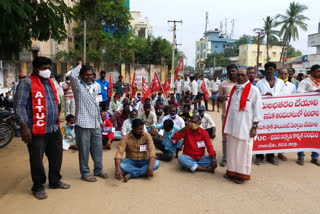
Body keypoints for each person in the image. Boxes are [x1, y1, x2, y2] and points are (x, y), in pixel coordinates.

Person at [15, 56, 70, 200]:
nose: (47, 71)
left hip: (53, 127)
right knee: (37, 159)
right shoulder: (26, 83)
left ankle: (55, 181)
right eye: (43, 68)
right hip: (36, 129)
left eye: (48, 68)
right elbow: (19, 106)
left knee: (56, 156)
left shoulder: (51, 82)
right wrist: (24, 127)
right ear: (35, 69)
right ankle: (38, 186)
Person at [67, 63, 108, 182]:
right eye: (86, 75)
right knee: (84, 150)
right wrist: (79, 65)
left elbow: (98, 105)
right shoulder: (77, 86)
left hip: (95, 123)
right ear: (81, 75)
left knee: (98, 148)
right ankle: (85, 173)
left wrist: (100, 120)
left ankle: (98, 170)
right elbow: (71, 75)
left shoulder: (97, 86)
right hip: (83, 123)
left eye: (91, 74)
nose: (89, 77)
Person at [222, 68, 263, 184]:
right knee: (231, 151)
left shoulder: (254, 90)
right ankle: (231, 171)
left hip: (246, 128)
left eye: (242, 75)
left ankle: (242, 175)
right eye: (238, 75)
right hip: (233, 126)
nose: (240, 77)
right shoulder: (234, 89)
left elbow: (258, 111)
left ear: (248, 77)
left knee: (244, 152)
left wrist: (254, 127)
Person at [255, 62, 285, 166]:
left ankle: (270, 156)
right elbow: (256, 97)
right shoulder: (259, 84)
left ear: (275, 71)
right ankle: (259, 156)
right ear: (265, 70)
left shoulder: (281, 83)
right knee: (261, 134)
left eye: (271, 69)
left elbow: (285, 97)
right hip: (263, 114)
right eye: (267, 69)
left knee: (273, 135)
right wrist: (264, 96)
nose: (269, 71)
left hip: (276, 114)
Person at [296, 64, 320, 166]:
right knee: (303, 134)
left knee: (317, 135)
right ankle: (301, 156)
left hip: (317, 114)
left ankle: (315, 157)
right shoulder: (305, 82)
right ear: (312, 72)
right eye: (318, 71)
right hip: (306, 113)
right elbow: (299, 93)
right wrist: (315, 92)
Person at [217, 64, 237, 167]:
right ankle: (225, 158)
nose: (232, 73)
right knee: (226, 136)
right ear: (227, 72)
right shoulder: (223, 84)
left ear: (237, 71)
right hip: (226, 115)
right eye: (230, 71)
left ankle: (236, 157)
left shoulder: (242, 83)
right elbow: (218, 99)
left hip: (239, 116)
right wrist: (222, 98)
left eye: (233, 71)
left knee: (238, 136)